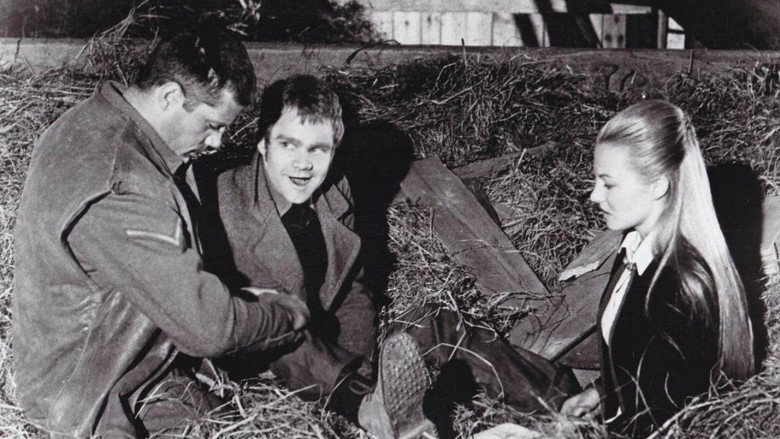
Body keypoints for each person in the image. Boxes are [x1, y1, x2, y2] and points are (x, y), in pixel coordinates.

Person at [198, 74, 580, 439]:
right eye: (288, 145)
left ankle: (566, 404)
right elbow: (249, 331)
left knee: (439, 321)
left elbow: (352, 291)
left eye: (318, 149)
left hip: (334, 361)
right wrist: (356, 392)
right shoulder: (223, 207)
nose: (303, 164)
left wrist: (366, 370)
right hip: (267, 367)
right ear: (262, 143)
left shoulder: (334, 194)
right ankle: (370, 410)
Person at [13, 27, 311, 437]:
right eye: (212, 125)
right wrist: (286, 315)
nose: (218, 142)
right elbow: (209, 330)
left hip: (129, 355)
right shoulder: (120, 183)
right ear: (170, 95)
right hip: (85, 391)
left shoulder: (95, 123)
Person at [558, 100, 756, 436]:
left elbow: (669, 420)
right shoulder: (634, 249)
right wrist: (602, 393)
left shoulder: (682, 289)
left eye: (608, 183)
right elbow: (643, 360)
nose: (594, 195)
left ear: (658, 186)